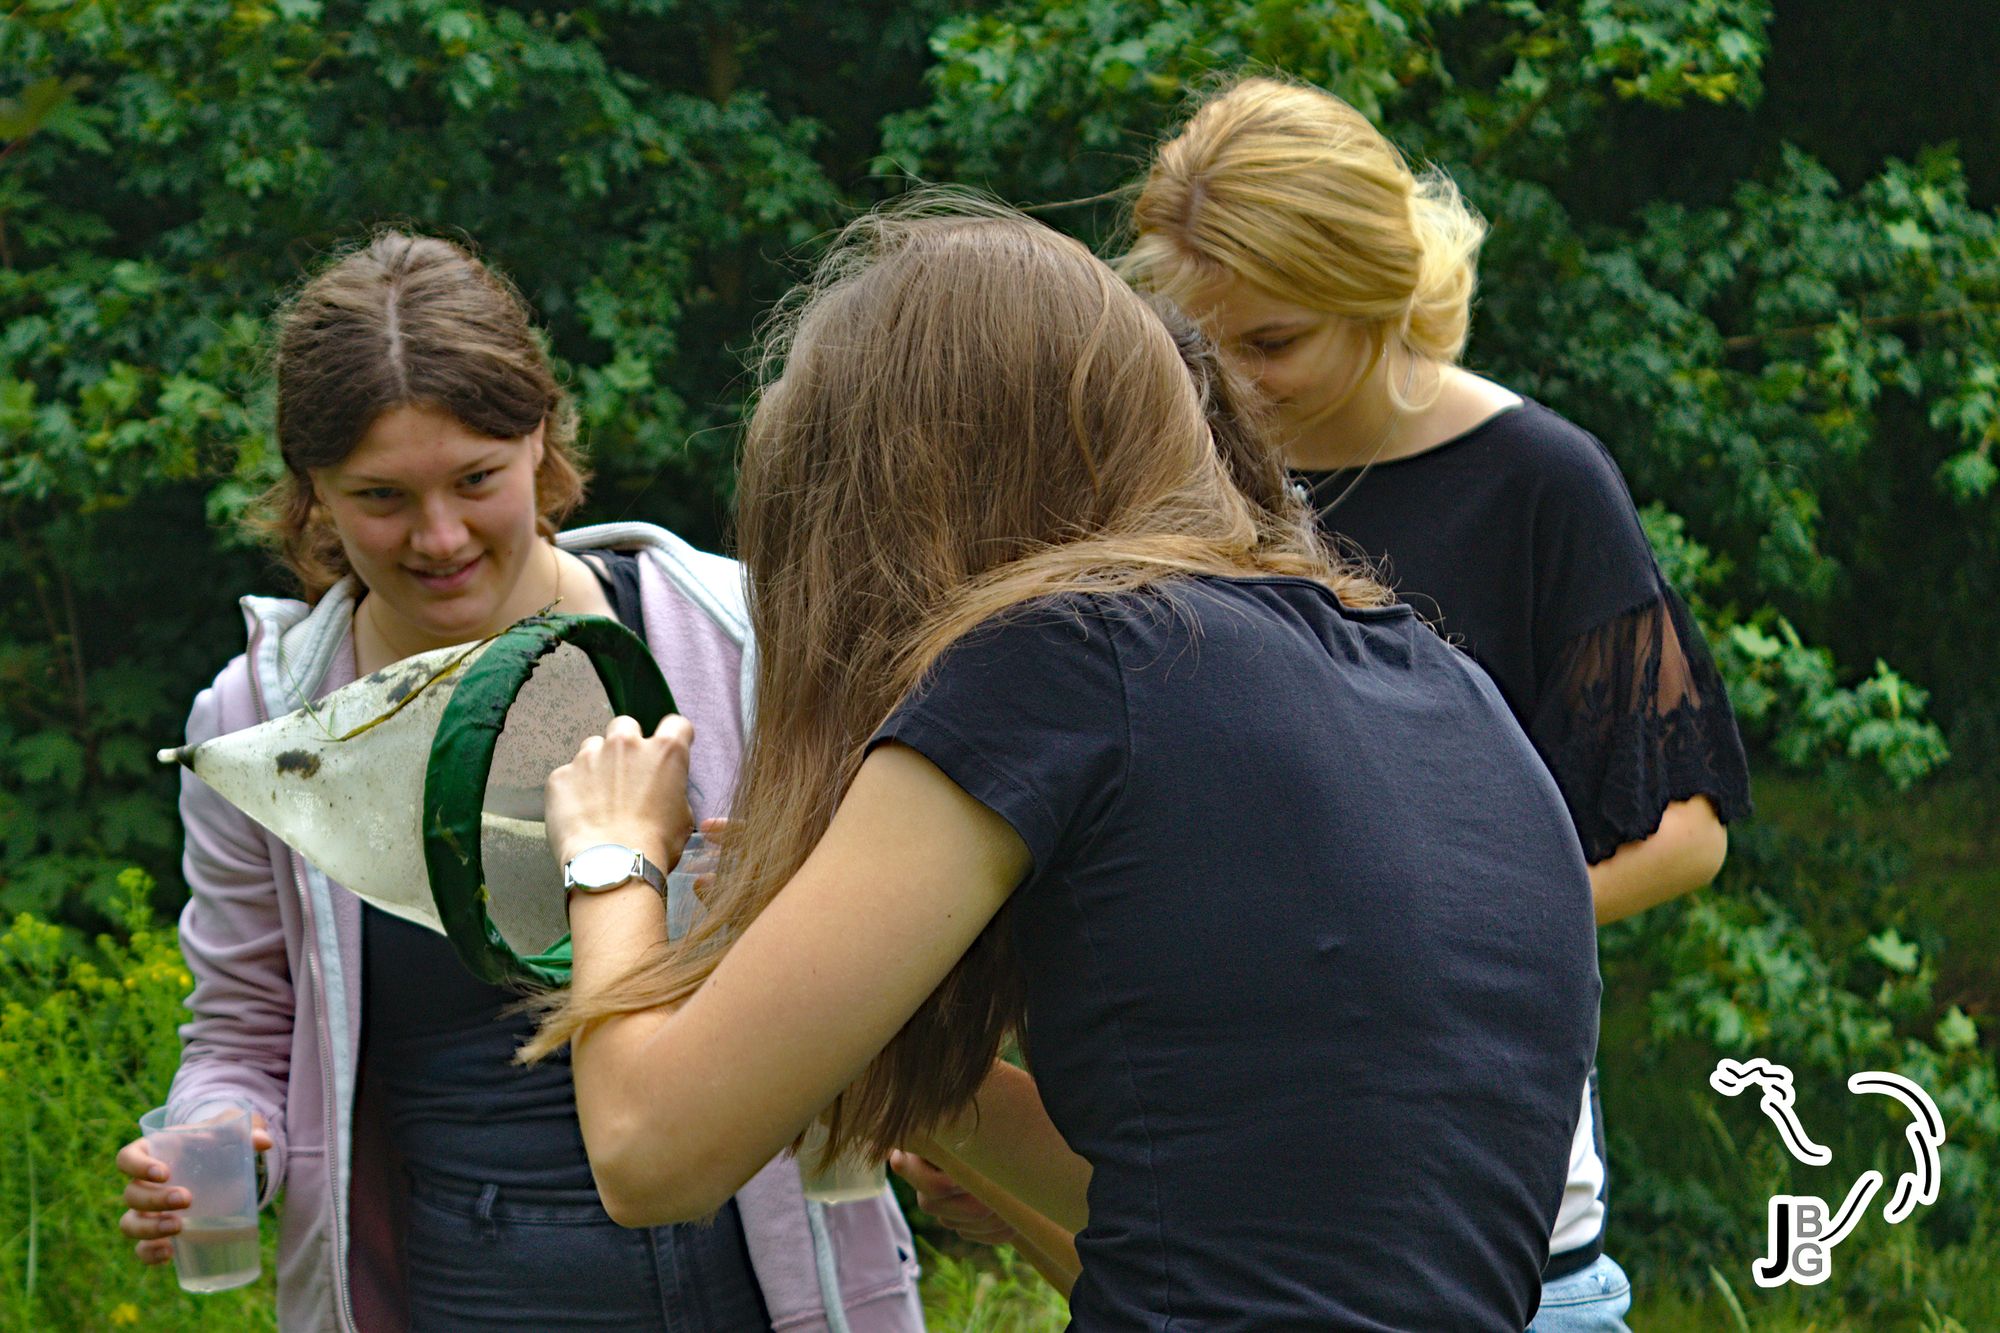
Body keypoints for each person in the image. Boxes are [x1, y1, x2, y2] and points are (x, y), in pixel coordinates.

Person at [525, 199, 1603, 1330]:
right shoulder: (1449, 686)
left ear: (892, 511)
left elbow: (648, 1154)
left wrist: (613, 854)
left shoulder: (1062, 659)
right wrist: (846, 1023)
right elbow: (1233, 1215)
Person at [112, 232, 923, 1332]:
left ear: (540, 438)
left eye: (476, 479)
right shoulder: (261, 728)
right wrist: (216, 1139)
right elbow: (244, 1031)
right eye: (381, 495)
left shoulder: (740, 641)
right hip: (469, 1285)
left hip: (764, 1274)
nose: (439, 536)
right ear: (312, 493)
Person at [1108, 75, 1755, 1329]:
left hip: (1492, 1207)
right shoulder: (1170, 481)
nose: (1229, 384)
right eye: (1197, 343)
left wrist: (1425, 939)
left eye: (1269, 342)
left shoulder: (1540, 482)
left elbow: (1684, 835)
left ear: (1375, 293)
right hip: (1225, 1188)